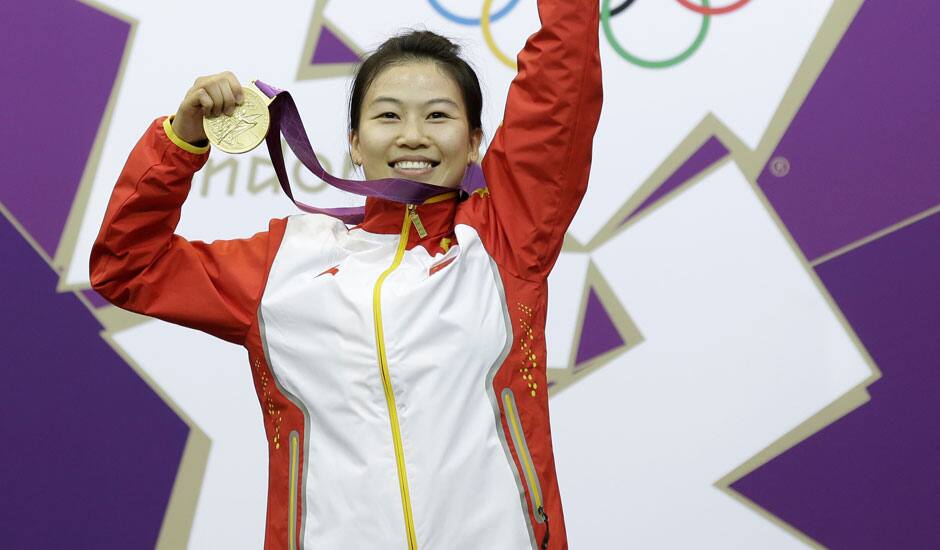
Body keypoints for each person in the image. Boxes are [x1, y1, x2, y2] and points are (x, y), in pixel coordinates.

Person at [90, 0, 602, 547]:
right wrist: (181, 141)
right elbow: (128, 264)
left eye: (438, 115)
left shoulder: (504, 238)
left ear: (475, 140)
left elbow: (558, 90)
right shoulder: (282, 265)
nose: (412, 135)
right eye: (387, 115)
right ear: (354, 143)